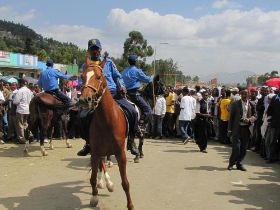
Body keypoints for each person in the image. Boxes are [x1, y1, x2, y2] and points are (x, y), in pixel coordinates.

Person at [77, 39, 139, 156]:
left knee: (133, 112)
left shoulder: (109, 62)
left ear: (100, 50)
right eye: (93, 49)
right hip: (94, 97)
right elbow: (81, 81)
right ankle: (88, 143)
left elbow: (118, 76)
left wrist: (121, 85)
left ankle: (131, 141)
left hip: (113, 94)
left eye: (97, 48)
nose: (95, 51)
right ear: (89, 51)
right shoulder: (85, 65)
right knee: (81, 116)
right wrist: (85, 89)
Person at [227, 90, 256, 171]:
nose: (244, 95)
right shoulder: (236, 104)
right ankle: (231, 164)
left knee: (244, 148)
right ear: (240, 94)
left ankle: (239, 163)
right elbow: (231, 117)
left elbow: (255, 114)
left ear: (249, 94)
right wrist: (229, 130)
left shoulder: (251, 104)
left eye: (246, 94)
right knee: (236, 148)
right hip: (237, 129)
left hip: (247, 129)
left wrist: (250, 119)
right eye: (243, 94)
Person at [121, 54, 153, 124]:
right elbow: (147, 79)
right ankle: (141, 123)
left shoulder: (124, 71)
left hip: (124, 94)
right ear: (136, 62)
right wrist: (153, 77)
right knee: (147, 109)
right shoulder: (137, 71)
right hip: (134, 94)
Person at [13, 79, 34, 144]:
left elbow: (15, 101)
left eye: (18, 84)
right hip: (27, 110)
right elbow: (31, 100)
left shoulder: (20, 91)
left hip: (21, 110)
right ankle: (30, 134)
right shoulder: (29, 91)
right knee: (25, 123)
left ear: (20, 84)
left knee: (20, 125)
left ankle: (22, 139)